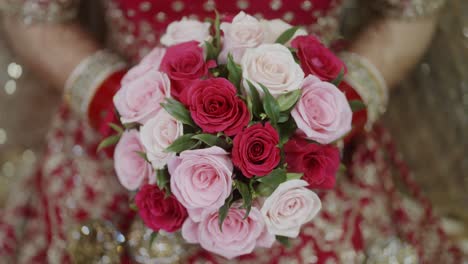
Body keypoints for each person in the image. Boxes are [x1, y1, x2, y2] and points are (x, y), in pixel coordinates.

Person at [0, 0, 464, 263]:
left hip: (315, 162)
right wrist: (119, 104)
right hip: (129, 150)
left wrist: (338, 110)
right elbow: (33, 14)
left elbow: (411, 11)